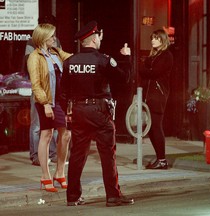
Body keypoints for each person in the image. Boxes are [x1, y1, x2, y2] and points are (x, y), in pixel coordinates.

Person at [60, 20, 134, 207]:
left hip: (78, 111)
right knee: (107, 154)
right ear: (94, 39)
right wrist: (126, 58)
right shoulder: (103, 60)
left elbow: (62, 93)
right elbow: (124, 78)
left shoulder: (69, 62)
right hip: (99, 112)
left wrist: (69, 111)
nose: (101, 39)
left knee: (77, 154)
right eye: (99, 36)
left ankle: (73, 196)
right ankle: (113, 195)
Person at [27, 23, 72, 192]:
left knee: (65, 134)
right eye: (51, 36)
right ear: (43, 37)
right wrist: (45, 103)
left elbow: (72, 59)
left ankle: (60, 172)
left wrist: (58, 50)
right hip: (46, 101)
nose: (54, 38)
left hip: (60, 101)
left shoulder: (55, 53)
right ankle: (45, 175)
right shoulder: (35, 57)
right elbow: (36, 84)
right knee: (46, 134)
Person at [24, 15, 61, 166]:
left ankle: (51, 154)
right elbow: (29, 62)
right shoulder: (32, 42)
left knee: (52, 125)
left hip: (54, 89)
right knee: (37, 124)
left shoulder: (55, 41)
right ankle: (36, 156)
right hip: (40, 87)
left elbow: (61, 59)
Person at [139, 29, 173, 169]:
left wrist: (143, 69)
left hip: (158, 95)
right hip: (149, 95)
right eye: (152, 38)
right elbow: (145, 72)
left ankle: (162, 159)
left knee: (156, 126)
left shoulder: (166, 55)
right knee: (152, 127)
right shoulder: (152, 56)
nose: (152, 40)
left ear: (162, 40)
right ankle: (160, 158)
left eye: (156, 38)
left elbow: (154, 72)